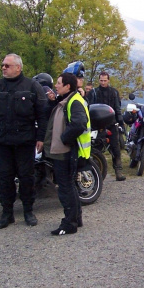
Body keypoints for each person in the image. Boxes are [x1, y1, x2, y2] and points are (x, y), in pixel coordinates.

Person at [0, 53, 48, 229]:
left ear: (18, 67)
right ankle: (7, 214)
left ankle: (28, 211)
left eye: (7, 65)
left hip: (25, 141)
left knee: (26, 178)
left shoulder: (32, 86)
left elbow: (42, 115)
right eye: (2, 65)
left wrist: (41, 137)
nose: (3, 67)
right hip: (3, 141)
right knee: (5, 179)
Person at [43, 72, 90, 235]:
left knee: (65, 188)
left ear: (67, 86)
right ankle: (76, 219)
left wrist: (64, 139)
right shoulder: (68, 100)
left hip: (67, 152)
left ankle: (69, 223)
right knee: (69, 186)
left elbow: (79, 124)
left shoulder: (74, 102)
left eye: (58, 83)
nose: (56, 85)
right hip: (66, 151)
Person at [86, 71, 126, 181]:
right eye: (101, 80)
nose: (103, 82)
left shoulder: (114, 92)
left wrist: (121, 123)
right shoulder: (93, 92)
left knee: (115, 148)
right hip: (96, 125)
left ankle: (118, 171)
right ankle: (95, 172)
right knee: (95, 149)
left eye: (105, 80)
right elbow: (88, 108)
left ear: (108, 80)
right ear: (98, 80)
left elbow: (117, 109)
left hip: (111, 124)